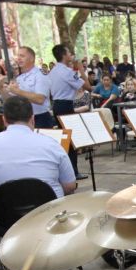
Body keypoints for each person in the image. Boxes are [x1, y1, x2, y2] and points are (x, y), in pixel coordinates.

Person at [0, 96, 76, 225]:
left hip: (5, 220)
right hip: (49, 219)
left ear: (4, 120)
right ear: (32, 119)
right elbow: (70, 186)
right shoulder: (51, 144)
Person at [46, 44, 91, 177]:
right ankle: (73, 172)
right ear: (64, 55)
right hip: (65, 106)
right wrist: (82, 69)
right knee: (70, 140)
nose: (71, 55)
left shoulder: (53, 70)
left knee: (65, 140)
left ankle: (68, 171)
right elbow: (88, 87)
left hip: (57, 105)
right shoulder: (66, 72)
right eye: (68, 52)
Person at [5, 46, 53, 128]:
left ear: (32, 59)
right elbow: (10, 98)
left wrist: (17, 91)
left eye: (22, 56)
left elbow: (40, 99)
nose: (19, 59)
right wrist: (3, 88)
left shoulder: (40, 75)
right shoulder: (19, 78)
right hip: (22, 119)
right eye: (18, 56)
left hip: (40, 118)